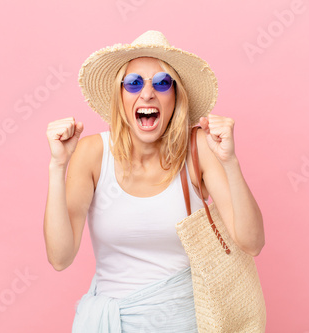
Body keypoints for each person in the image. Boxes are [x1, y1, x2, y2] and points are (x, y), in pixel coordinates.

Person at [43, 30, 265, 332]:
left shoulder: (198, 148)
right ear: (120, 96)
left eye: (161, 83)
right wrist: (58, 166)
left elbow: (252, 243)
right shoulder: (92, 153)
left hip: (183, 324)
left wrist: (230, 161)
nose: (147, 93)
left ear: (175, 96)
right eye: (134, 83)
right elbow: (60, 257)